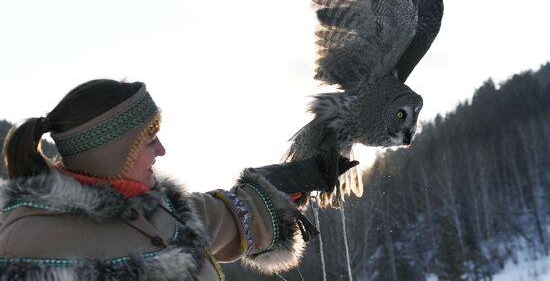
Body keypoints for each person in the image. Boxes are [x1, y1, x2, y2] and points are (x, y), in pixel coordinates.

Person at [0, 79, 358, 280]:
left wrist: (286, 183)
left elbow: (225, 218)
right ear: (112, 152)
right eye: (149, 140)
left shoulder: (158, 208)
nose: (162, 150)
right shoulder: (27, 241)